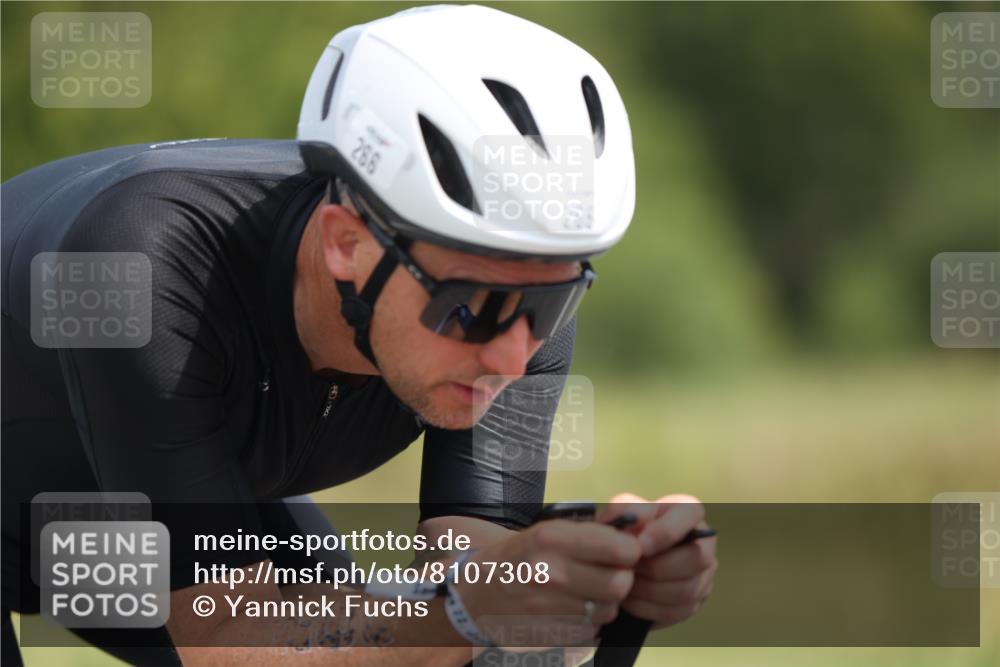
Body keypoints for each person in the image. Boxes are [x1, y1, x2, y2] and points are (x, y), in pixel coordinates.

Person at [1, 5, 716, 666]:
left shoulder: (516, 312)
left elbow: (467, 569)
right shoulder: (141, 263)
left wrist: (588, 581)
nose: (511, 355)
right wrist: (471, 613)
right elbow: (227, 637)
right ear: (346, 245)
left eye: (554, 301)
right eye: (469, 306)